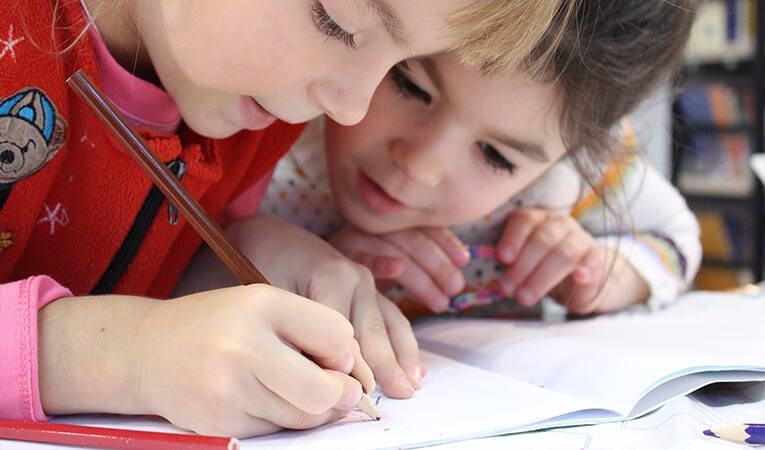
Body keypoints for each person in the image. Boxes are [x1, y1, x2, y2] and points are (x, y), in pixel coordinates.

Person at [0, 0, 569, 438]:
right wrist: (131, 355)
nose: (351, 108)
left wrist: (239, 258)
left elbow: (127, 274)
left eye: (396, 64)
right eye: (337, 22)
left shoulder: (253, 113)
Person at [255, 0, 702, 318]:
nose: (419, 166)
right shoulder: (272, 124)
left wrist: (605, 274)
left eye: (495, 155)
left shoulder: (569, 178)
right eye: (409, 86)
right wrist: (298, 266)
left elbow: (677, 238)